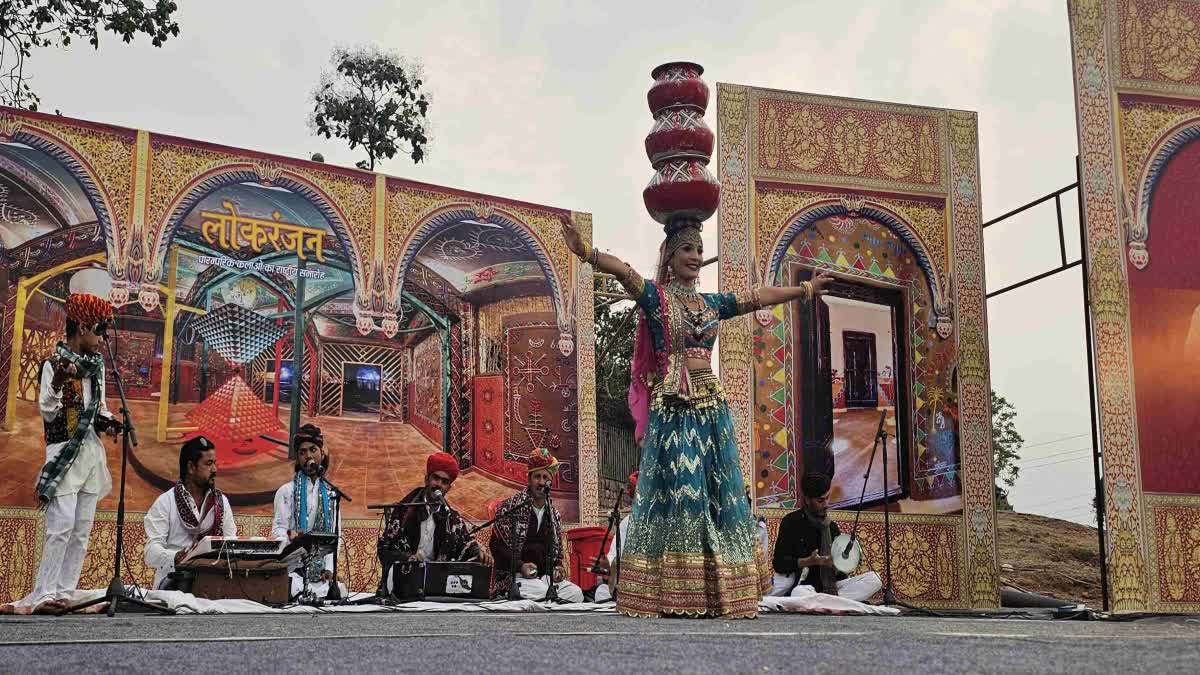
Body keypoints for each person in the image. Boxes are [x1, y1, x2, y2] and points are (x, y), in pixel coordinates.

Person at [560, 214, 831, 619]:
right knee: (682, 491)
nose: (695, 255)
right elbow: (625, 272)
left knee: (716, 495)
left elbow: (759, 296)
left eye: (700, 249)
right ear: (670, 256)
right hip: (675, 406)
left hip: (710, 408)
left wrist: (804, 290)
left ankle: (715, 592)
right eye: (687, 248)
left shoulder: (712, 304)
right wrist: (587, 253)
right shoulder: (656, 298)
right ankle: (672, 590)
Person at [17, 293, 120, 611]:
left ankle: (64, 591)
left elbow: (99, 410)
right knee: (60, 527)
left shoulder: (97, 369)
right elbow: (48, 412)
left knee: (81, 529)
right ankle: (44, 593)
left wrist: (113, 423)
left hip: (90, 454)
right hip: (63, 453)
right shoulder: (53, 365)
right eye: (99, 331)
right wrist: (58, 383)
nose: (101, 340)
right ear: (83, 328)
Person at [377, 451, 484, 596]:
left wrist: (479, 553)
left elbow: (465, 544)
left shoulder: (452, 519)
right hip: (405, 585)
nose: (439, 484)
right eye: (436, 478)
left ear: (449, 488)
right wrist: (409, 558)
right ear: (427, 479)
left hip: (436, 588)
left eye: (445, 482)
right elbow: (386, 550)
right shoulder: (403, 512)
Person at [489, 448, 583, 603]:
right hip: (515, 577)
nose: (541, 482)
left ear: (550, 482)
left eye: (545, 478)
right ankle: (549, 601)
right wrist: (521, 566)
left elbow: (557, 554)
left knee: (576, 593)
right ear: (529, 479)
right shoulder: (511, 507)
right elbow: (497, 548)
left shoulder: (554, 515)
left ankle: (549, 601)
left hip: (545, 579)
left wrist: (558, 568)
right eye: (537, 477)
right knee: (542, 592)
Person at [770, 472, 882, 602]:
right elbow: (779, 564)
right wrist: (810, 561)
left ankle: (827, 602)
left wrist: (841, 564)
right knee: (798, 593)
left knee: (875, 579)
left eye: (827, 498)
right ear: (807, 500)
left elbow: (840, 572)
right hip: (807, 586)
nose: (826, 504)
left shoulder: (832, 527)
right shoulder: (791, 522)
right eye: (820, 500)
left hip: (832, 586)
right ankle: (834, 602)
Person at [144, 436, 237, 589]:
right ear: (191, 467)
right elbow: (150, 553)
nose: (215, 469)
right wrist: (175, 557)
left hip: (211, 585)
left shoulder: (221, 502)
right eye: (208, 463)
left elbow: (230, 544)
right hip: (172, 585)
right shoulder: (165, 502)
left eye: (214, 463)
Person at [270, 424, 345, 600]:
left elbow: (335, 536)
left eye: (313, 450)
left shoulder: (331, 494)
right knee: (295, 588)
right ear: (297, 458)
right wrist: (291, 537)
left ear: (322, 453)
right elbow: (278, 530)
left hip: (321, 574)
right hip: (294, 569)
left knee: (339, 592)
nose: (308, 456)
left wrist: (329, 569)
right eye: (302, 452)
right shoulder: (286, 492)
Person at [594, 471, 637, 603]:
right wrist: (608, 563)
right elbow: (614, 555)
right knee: (601, 592)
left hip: (652, 582)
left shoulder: (662, 522)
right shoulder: (627, 523)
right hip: (628, 582)